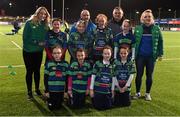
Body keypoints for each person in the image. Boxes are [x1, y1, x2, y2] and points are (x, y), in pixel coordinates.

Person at [133, 9, 164, 101]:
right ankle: (138, 93)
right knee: (139, 75)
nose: (147, 18)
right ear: (142, 18)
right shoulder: (138, 28)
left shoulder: (156, 28)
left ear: (152, 18)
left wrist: (161, 53)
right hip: (140, 57)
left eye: (149, 16)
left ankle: (147, 93)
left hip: (151, 57)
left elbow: (161, 42)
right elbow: (134, 42)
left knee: (149, 75)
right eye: (145, 17)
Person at [22, 6, 50, 100]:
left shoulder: (45, 25)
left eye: (45, 14)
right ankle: (29, 92)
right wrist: (37, 43)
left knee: (37, 71)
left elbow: (50, 35)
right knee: (29, 71)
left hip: (38, 52)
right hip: (28, 52)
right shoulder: (29, 23)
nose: (43, 15)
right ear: (37, 13)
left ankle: (37, 89)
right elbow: (25, 38)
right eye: (41, 13)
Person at [44, 18, 68, 94]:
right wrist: (51, 57)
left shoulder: (63, 35)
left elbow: (65, 47)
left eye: (58, 24)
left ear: (60, 25)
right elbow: (46, 46)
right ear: (52, 25)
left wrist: (60, 56)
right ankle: (48, 90)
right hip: (49, 58)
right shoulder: (48, 33)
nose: (56, 26)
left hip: (60, 58)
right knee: (49, 74)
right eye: (54, 24)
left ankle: (61, 90)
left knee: (60, 74)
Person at [90, 45, 115, 110]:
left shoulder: (112, 66)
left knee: (108, 107)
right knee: (98, 107)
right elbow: (93, 77)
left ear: (111, 54)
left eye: (108, 54)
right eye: (105, 54)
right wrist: (91, 89)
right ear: (102, 54)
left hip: (107, 91)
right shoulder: (97, 63)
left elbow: (113, 79)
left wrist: (112, 90)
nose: (107, 55)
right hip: (98, 91)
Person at [44, 45, 69, 110]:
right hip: (51, 90)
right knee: (51, 107)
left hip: (60, 90)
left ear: (61, 53)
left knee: (58, 107)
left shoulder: (66, 64)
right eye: (54, 53)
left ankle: (62, 99)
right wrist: (47, 91)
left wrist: (66, 91)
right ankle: (48, 99)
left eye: (58, 53)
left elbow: (67, 79)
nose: (56, 55)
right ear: (52, 54)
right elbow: (45, 78)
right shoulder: (49, 64)